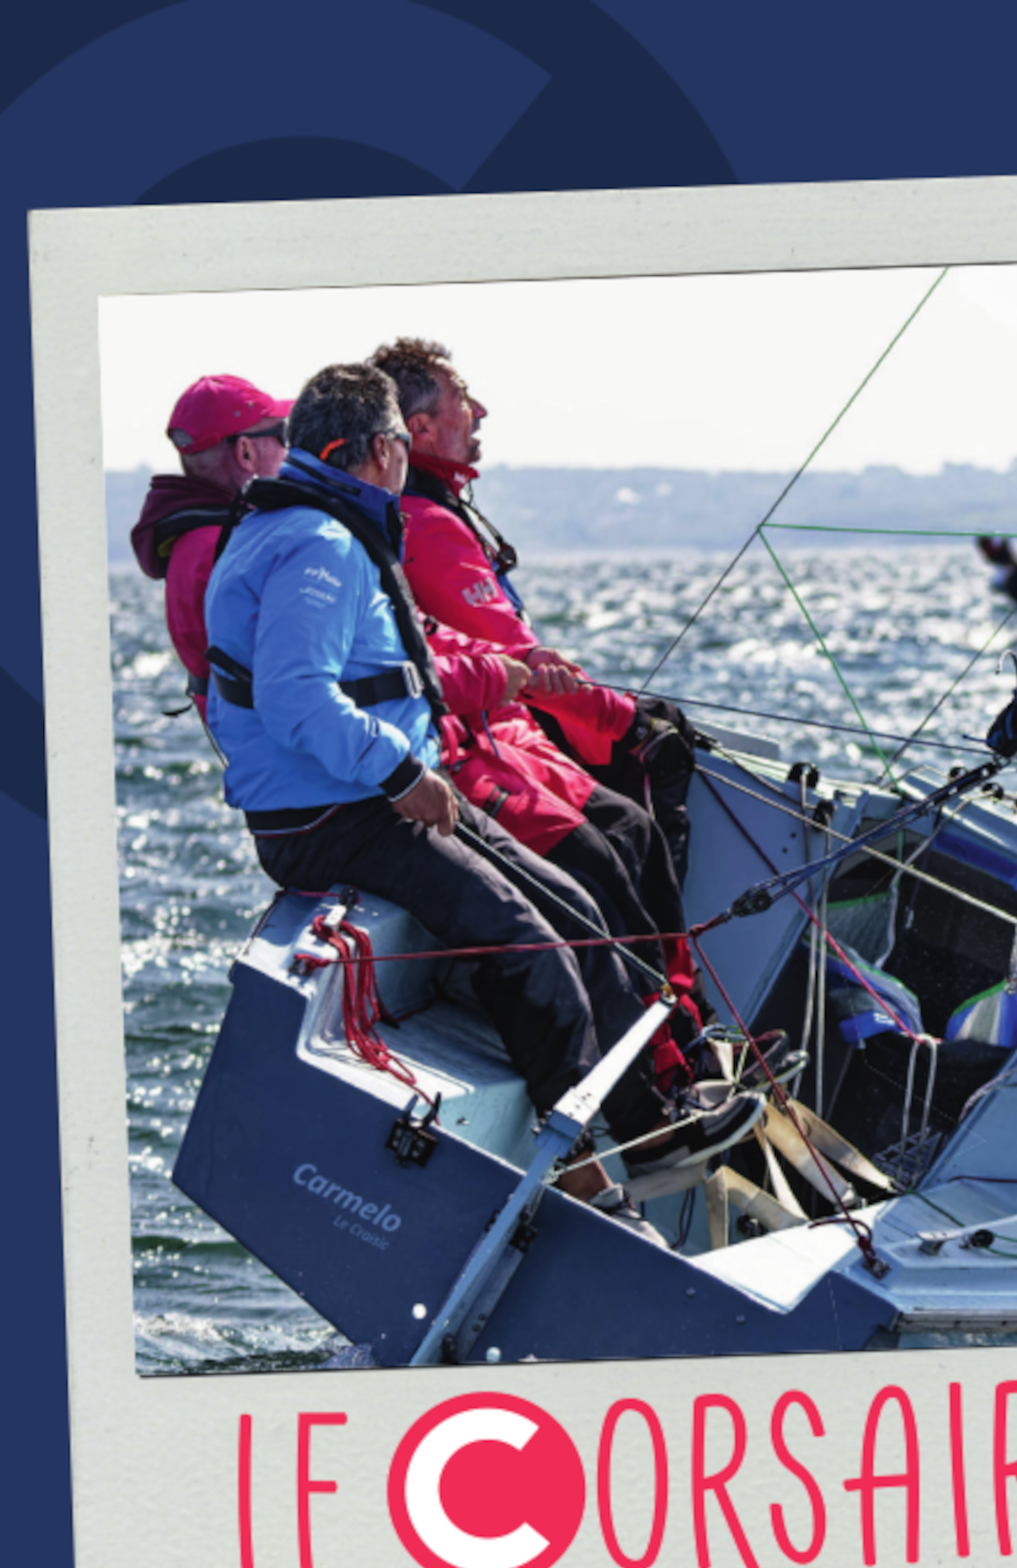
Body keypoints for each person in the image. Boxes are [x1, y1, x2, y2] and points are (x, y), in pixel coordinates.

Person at [202, 361, 761, 1235]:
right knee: (528, 942)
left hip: (367, 793)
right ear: (377, 450)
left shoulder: (322, 525)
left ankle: (646, 1126)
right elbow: (294, 697)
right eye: (397, 441)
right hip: (336, 814)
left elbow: (397, 663)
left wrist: (500, 674)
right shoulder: (319, 543)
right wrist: (403, 775)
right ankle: (584, 1176)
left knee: (576, 908)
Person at [370, 335, 713, 1078]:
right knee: (621, 833)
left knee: (633, 832)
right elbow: (515, 660)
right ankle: (667, 1061)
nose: (481, 410)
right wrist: (622, 718)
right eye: (463, 399)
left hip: (502, 734)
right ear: (419, 428)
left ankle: (687, 1031)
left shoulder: (430, 512)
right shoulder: (426, 525)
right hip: (479, 747)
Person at [130, 374, 291, 720]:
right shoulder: (229, 547)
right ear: (246, 452)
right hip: (274, 738)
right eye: (282, 435)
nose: (288, 448)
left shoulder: (196, 538)